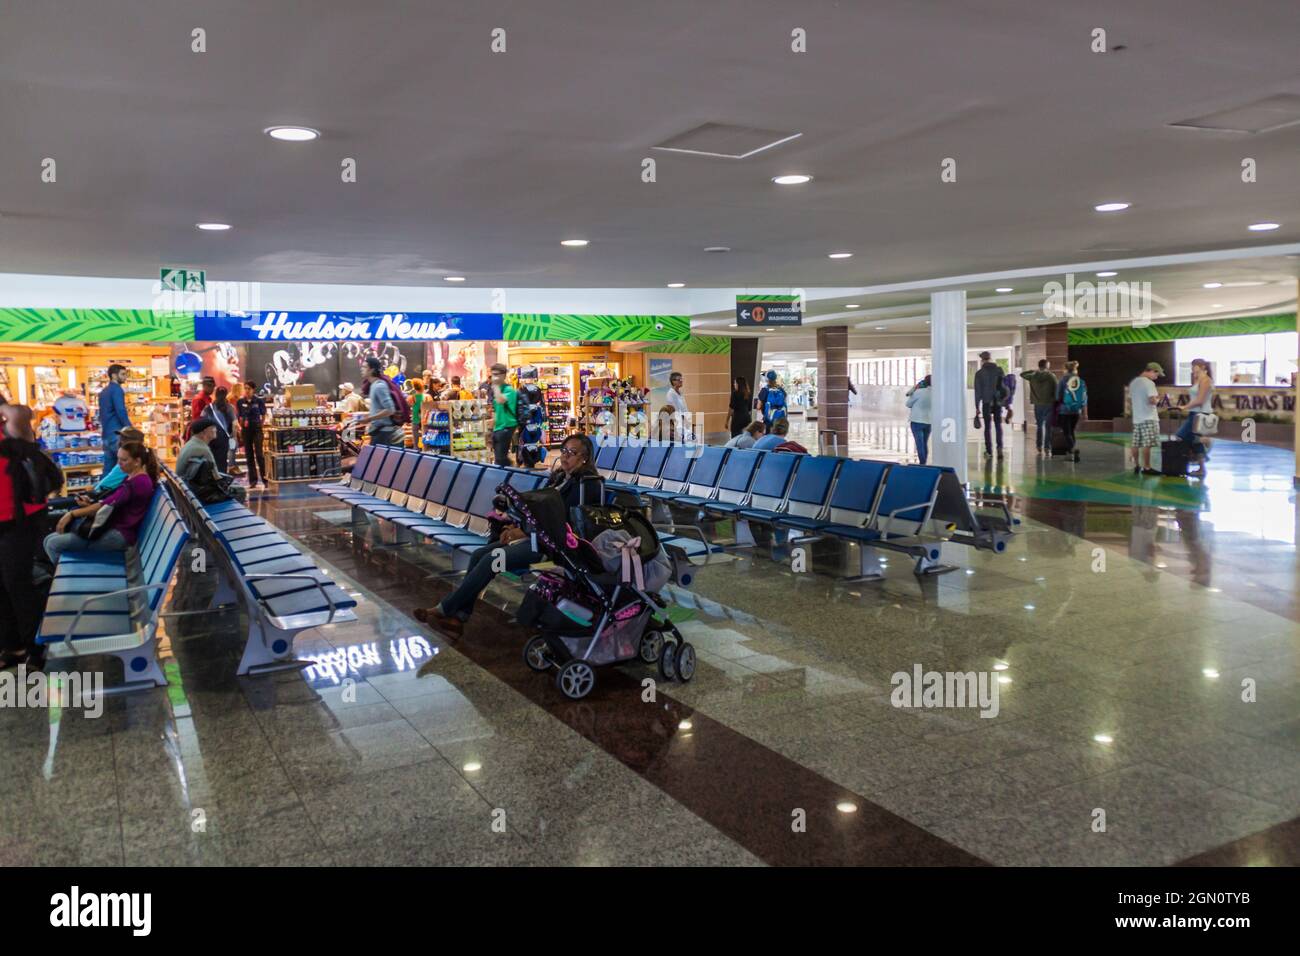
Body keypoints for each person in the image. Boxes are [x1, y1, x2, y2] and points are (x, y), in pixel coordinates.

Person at [413, 433, 601, 638]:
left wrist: (521, 531)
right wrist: (514, 528)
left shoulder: (585, 485)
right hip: (532, 538)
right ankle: (458, 617)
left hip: (551, 547)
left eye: (572, 453)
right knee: (479, 556)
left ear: (584, 457)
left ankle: (444, 609)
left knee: (491, 561)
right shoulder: (559, 478)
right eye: (563, 451)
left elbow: (566, 524)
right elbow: (536, 511)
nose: (565, 456)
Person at [0, 404, 63, 670]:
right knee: (2, 587)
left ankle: (36, 647)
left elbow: (22, 414)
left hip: (19, 521)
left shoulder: (12, 432)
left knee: (18, 583)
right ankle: (13, 646)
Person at [44, 441, 158, 565]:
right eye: (118, 459)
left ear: (137, 461)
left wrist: (72, 514)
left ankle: (70, 577)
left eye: (124, 460)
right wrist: (88, 506)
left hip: (119, 536)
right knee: (49, 539)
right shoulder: (131, 478)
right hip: (113, 528)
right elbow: (111, 504)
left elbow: (105, 505)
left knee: (52, 544)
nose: (119, 464)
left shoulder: (139, 482)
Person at [1176, 358, 1215, 478]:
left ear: (1203, 366)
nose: (1193, 368)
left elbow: (1200, 400)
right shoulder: (1197, 379)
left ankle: (1206, 442)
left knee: (1181, 435)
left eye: (1195, 366)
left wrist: (1184, 407)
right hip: (1194, 413)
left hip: (1202, 413)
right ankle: (1201, 467)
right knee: (1193, 441)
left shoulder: (1206, 380)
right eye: (1192, 366)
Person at [1128, 362, 1163, 475]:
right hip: (1149, 417)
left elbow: (1130, 400)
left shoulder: (1133, 382)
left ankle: (1136, 466)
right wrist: (1159, 399)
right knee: (1147, 444)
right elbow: (1152, 400)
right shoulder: (1149, 383)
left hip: (1137, 418)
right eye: (1156, 375)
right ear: (1152, 371)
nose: (1156, 378)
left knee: (1136, 443)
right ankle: (1147, 467)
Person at [361, 356, 405, 446]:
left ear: (372, 370)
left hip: (385, 434)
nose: (362, 369)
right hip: (380, 432)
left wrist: (370, 418)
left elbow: (390, 410)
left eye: (365, 367)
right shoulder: (373, 385)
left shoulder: (379, 386)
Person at [1020, 359, 1059, 458]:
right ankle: (1047, 446)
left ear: (1039, 366)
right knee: (1048, 426)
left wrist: (1033, 371)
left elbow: (1022, 374)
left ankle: (1038, 445)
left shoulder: (1033, 376)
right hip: (1049, 403)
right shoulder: (1051, 376)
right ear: (1047, 366)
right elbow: (1056, 388)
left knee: (1039, 425)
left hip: (1038, 404)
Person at [973, 352, 1007, 458]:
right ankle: (1000, 447)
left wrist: (977, 407)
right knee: (998, 425)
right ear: (990, 358)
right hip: (997, 402)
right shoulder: (999, 370)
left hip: (987, 402)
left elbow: (978, 392)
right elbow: (1004, 386)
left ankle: (989, 451)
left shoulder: (979, 373)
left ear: (982, 360)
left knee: (987, 427)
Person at [99, 363, 131, 471]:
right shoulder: (117, 390)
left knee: (108, 468)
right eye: (122, 374)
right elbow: (121, 411)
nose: (125, 377)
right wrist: (129, 428)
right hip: (116, 433)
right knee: (122, 468)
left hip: (106, 433)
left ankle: (102, 488)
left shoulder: (104, 391)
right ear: (113, 375)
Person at [236, 381, 268, 488]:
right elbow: (239, 416)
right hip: (246, 430)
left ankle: (265, 479)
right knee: (249, 456)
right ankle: (253, 481)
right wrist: (241, 428)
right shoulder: (240, 402)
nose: (247, 390)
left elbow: (263, 415)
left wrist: (261, 425)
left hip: (257, 429)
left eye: (249, 388)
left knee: (259, 455)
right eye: (245, 388)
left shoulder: (259, 401)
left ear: (253, 389)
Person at [1055, 361, 1088, 463]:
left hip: (1064, 410)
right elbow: (1084, 398)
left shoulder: (1063, 380)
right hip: (1076, 411)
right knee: (1072, 431)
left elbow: (1058, 396)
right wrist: (1084, 412)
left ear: (1065, 369)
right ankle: (1071, 453)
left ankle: (1073, 450)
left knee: (1066, 432)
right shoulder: (1081, 381)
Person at [488, 362, 518, 466]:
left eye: (497, 374)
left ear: (504, 375)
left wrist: (495, 386)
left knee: (500, 458)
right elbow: (496, 411)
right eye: (493, 374)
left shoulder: (509, 390)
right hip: (498, 427)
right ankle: (509, 469)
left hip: (507, 426)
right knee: (499, 457)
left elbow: (501, 400)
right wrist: (491, 429)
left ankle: (510, 472)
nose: (494, 377)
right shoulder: (498, 390)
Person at [202, 385, 237, 472]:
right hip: (224, 438)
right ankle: (221, 480)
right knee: (222, 461)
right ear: (226, 394)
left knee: (211, 460)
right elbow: (235, 424)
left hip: (210, 437)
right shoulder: (229, 407)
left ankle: (213, 479)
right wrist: (233, 437)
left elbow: (202, 420)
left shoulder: (208, 407)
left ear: (215, 394)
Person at [176, 417, 219, 483]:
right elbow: (216, 477)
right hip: (191, 488)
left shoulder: (191, 443)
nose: (216, 430)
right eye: (213, 428)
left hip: (183, 485)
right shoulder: (202, 449)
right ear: (203, 433)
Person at [906, 375, 933, 465]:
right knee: (925, 443)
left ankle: (922, 463)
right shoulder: (936, 393)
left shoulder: (919, 392)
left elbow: (908, 404)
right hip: (929, 421)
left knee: (919, 443)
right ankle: (924, 462)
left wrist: (914, 389)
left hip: (917, 421)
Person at [666, 371, 692, 440]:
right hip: (677, 422)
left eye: (681, 379)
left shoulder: (680, 392)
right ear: (673, 381)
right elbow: (674, 411)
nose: (681, 381)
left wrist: (687, 419)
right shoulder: (670, 394)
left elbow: (684, 408)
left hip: (684, 421)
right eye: (679, 379)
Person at [410, 379, 427, 448]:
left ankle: (416, 452)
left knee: (415, 439)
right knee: (425, 436)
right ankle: (425, 449)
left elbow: (411, 408)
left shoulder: (412, 397)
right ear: (422, 386)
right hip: (424, 419)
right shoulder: (426, 397)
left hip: (415, 419)